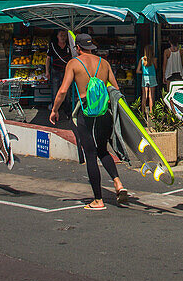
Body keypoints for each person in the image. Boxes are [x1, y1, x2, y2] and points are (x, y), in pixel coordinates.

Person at [49, 33, 127, 210]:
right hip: (104, 113)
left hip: (88, 113)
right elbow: (115, 89)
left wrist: (54, 110)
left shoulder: (74, 63)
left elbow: (62, 91)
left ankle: (98, 200)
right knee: (102, 150)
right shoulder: (104, 63)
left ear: (77, 48)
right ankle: (118, 183)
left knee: (90, 155)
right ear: (92, 47)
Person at [45, 29, 73, 121]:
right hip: (55, 71)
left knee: (67, 93)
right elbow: (48, 59)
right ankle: (54, 111)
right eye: (61, 35)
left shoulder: (69, 46)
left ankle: (68, 112)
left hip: (67, 72)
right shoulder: (53, 45)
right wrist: (47, 72)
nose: (63, 37)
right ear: (57, 36)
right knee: (55, 91)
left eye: (64, 35)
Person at [136, 45, 157, 118]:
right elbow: (156, 67)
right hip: (152, 77)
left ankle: (142, 112)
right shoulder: (154, 59)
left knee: (144, 95)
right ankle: (151, 113)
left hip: (144, 77)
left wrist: (143, 72)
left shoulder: (142, 59)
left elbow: (137, 70)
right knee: (151, 96)